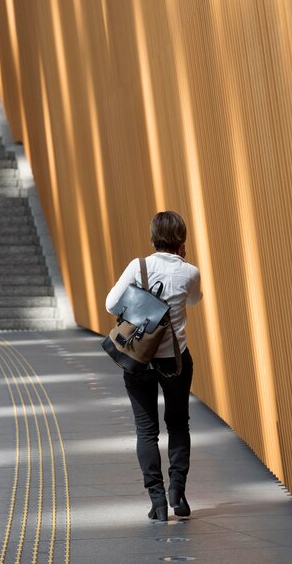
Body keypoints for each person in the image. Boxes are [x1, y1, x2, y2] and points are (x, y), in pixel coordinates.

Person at [105, 211, 202, 521]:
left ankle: (157, 502)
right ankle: (178, 493)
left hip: (139, 359)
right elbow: (195, 301)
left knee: (146, 431)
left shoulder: (139, 266)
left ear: (153, 238)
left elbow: (110, 304)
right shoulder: (190, 272)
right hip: (175, 360)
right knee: (177, 423)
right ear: (182, 240)